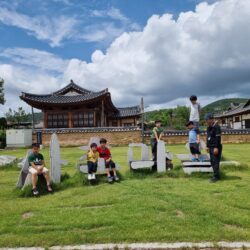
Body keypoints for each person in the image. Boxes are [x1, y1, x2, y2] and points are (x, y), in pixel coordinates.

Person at [205, 113, 223, 183]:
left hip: (216, 147)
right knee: (212, 161)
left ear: (211, 119)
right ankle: (215, 175)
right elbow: (208, 137)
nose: (206, 122)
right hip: (210, 147)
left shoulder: (216, 126)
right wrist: (207, 146)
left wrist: (216, 147)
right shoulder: (208, 127)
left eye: (207, 120)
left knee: (215, 162)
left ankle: (216, 177)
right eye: (206, 120)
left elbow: (218, 138)